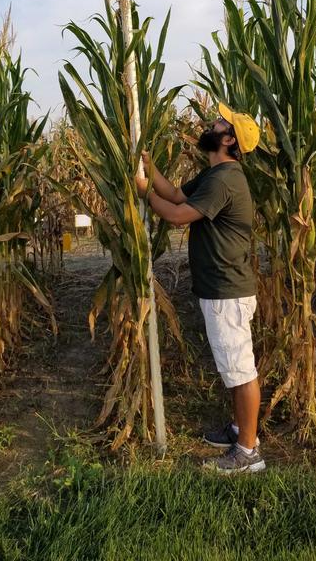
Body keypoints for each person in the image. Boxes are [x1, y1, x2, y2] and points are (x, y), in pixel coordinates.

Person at [135, 102, 264, 473]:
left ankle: (248, 453)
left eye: (220, 121)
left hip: (228, 291)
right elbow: (176, 195)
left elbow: (176, 216)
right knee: (235, 369)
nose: (212, 121)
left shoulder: (225, 180)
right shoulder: (214, 176)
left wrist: (143, 191)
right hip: (222, 289)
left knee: (241, 372)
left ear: (228, 139)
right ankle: (241, 430)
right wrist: (149, 168)